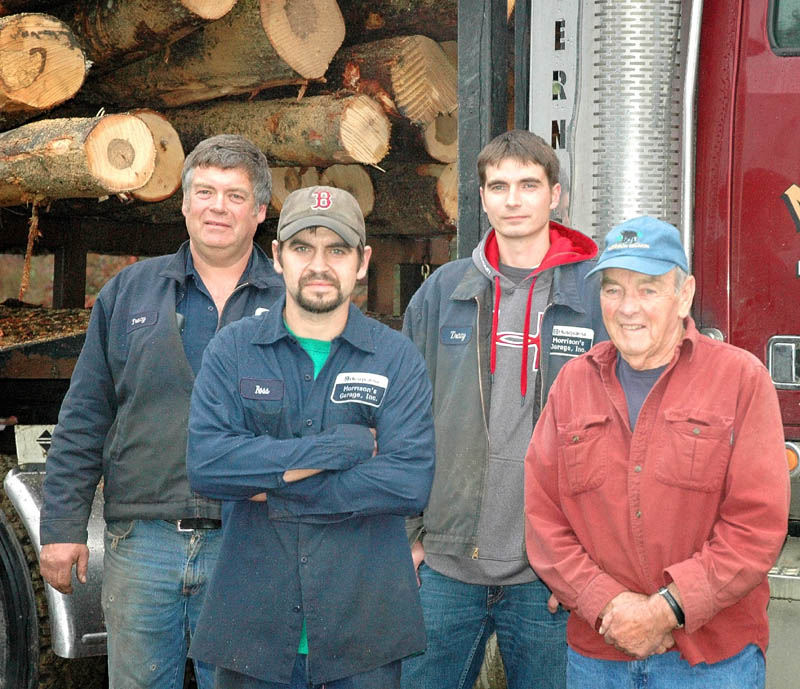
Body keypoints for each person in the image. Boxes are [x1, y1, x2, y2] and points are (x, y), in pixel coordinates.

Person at [38, 134, 285, 689]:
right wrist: (61, 527)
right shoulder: (129, 292)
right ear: (184, 202)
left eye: (234, 195)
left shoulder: (292, 303)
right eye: (205, 191)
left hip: (250, 542)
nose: (217, 207)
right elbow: (84, 415)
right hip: (141, 542)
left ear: (260, 212)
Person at [185, 185, 435, 689]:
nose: (319, 265)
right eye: (302, 248)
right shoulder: (233, 349)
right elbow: (208, 466)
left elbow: (408, 483)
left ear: (362, 262)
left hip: (363, 632)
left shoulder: (396, 357)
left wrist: (272, 486)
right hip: (253, 628)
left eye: (336, 250)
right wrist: (339, 449)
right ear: (277, 257)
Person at [524, 215, 790, 689]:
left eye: (648, 289)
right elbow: (544, 519)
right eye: (613, 290)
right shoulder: (573, 384)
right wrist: (606, 603)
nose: (628, 308)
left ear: (684, 294)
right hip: (598, 654)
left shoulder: (741, 380)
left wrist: (666, 610)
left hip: (711, 660)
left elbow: (755, 526)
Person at [401, 129, 607, 689]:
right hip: (445, 566)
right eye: (498, 186)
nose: (512, 200)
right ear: (483, 198)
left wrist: (592, 558)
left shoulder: (595, 299)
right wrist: (412, 533)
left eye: (527, 185)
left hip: (550, 577)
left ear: (555, 195)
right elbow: (403, 418)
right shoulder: (444, 292)